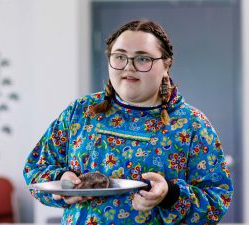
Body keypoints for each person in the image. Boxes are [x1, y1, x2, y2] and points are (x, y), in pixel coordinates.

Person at [23, 19, 233, 224]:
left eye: (143, 59)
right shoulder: (80, 112)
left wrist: (170, 195)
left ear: (166, 65)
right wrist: (63, 181)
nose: (128, 67)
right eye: (120, 57)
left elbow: (217, 201)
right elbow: (35, 169)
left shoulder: (192, 124)